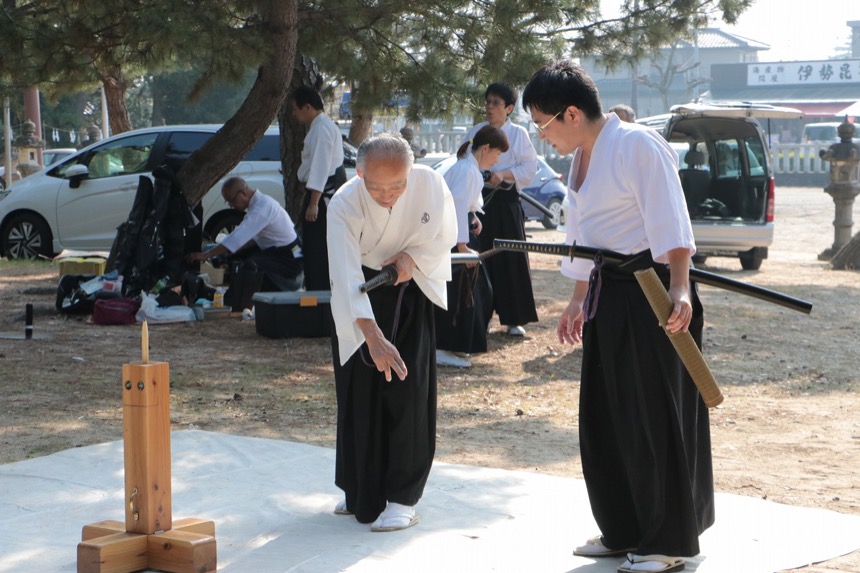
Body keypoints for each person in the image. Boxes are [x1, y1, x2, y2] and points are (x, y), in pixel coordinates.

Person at [521, 61, 713, 573]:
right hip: (609, 290)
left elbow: (670, 218)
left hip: (654, 291)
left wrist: (680, 288)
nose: (542, 136)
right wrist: (577, 297)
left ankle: (669, 540)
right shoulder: (581, 158)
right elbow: (584, 237)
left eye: (542, 124)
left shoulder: (636, 145)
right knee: (607, 414)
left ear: (571, 113)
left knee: (654, 416)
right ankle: (624, 527)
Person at [326, 133, 457, 532]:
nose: (387, 196)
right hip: (359, 295)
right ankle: (359, 489)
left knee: (407, 391)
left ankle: (403, 497)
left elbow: (445, 236)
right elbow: (345, 275)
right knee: (357, 392)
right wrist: (373, 337)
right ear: (359, 173)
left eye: (397, 186)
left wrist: (413, 258)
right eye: (377, 187)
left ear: (410, 172)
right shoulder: (344, 203)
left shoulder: (430, 183)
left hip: (409, 290)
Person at [465, 82, 539, 336]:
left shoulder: (518, 134)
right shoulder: (476, 131)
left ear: (509, 108)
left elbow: (530, 168)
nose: (489, 107)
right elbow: (463, 159)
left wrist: (503, 174)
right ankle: (480, 316)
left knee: (510, 259)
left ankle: (513, 318)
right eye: (487, 102)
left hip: (506, 202)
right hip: (479, 202)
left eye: (496, 103)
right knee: (480, 259)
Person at [435, 125, 508, 368]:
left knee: (476, 291)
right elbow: (455, 206)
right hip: (452, 239)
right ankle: (443, 347)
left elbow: (464, 204)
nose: (497, 160)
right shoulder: (466, 169)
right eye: (497, 153)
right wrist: (462, 246)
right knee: (460, 292)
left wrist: (474, 217)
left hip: (458, 233)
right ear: (485, 148)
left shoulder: (469, 168)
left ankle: (456, 345)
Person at [186, 177, 303, 305]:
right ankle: (236, 295)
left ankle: (238, 301)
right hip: (279, 252)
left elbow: (236, 238)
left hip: (290, 259)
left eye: (231, 201)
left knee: (249, 265)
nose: (231, 205)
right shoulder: (260, 204)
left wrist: (205, 255)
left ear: (243, 193)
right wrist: (228, 252)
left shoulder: (262, 208)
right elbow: (248, 240)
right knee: (237, 255)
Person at [291, 86, 346, 291]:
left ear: (307, 107)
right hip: (321, 192)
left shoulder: (322, 128)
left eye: (295, 109)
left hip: (323, 196)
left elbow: (321, 167)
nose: (293, 114)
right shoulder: (320, 126)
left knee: (318, 247)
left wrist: (314, 202)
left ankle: (320, 292)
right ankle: (318, 288)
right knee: (315, 246)